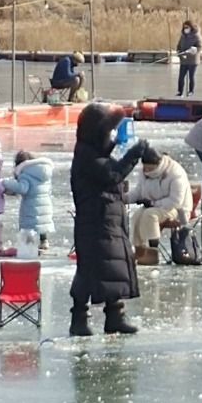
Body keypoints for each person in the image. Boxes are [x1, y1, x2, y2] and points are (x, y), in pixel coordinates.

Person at [69, 103, 149, 337]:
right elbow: (111, 174)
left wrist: (125, 148)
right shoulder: (86, 155)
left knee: (114, 268)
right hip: (94, 223)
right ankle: (79, 318)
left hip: (108, 221)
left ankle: (115, 315)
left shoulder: (96, 152)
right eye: (109, 131)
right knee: (89, 270)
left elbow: (111, 169)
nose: (112, 135)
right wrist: (134, 154)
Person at [125, 145, 192, 266]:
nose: (146, 171)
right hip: (154, 207)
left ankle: (153, 253)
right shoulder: (144, 173)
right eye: (145, 168)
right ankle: (140, 250)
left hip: (176, 209)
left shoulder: (175, 173)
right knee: (137, 216)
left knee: (149, 215)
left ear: (158, 165)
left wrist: (153, 204)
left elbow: (176, 201)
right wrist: (123, 198)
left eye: (149, 168)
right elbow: (138, 191)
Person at [2, 150, 56, 255]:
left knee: (29, 226)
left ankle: (29, 246)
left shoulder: (25, 174)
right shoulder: (43, 172)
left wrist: (6, 183)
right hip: (45, 203)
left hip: (31, 205)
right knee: (42, 223)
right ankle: (44, 242)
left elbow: (23, 189)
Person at [176, 20, 202, 97]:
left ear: (191, 27)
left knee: (191, 76)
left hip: (193, 61)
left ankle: (191, 91)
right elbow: (179, 45)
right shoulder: (183, 36)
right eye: (184, 27)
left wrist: (194, 49)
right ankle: (180, 91)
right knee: (181, 77)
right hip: (184, 60)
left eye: (187, 27)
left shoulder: (196, 36)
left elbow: (199, 46)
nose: (185, 29)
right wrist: (179, 52)